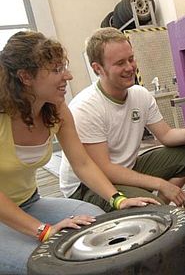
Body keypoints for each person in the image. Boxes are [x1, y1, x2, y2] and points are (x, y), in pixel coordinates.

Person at [0, 31, 159, 275]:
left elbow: (82, 163)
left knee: (97, 221)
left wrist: (118, 199)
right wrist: (43, 230)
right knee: (38, 265)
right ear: (25, 77)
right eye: (56, 71)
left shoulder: (56, 109)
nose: (68, 76)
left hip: (29, 202)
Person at [59, 27, 185, 212]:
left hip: (126, 167)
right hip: (89, 187)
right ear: (98, 68)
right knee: (148, 205)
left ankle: (159, 206)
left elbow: (167, 135)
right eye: (120, 63)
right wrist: (162, 184)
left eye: (131, 59)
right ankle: (156, 208)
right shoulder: (86, 107)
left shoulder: (140, 95)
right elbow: (104, 168)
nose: (130, 68)